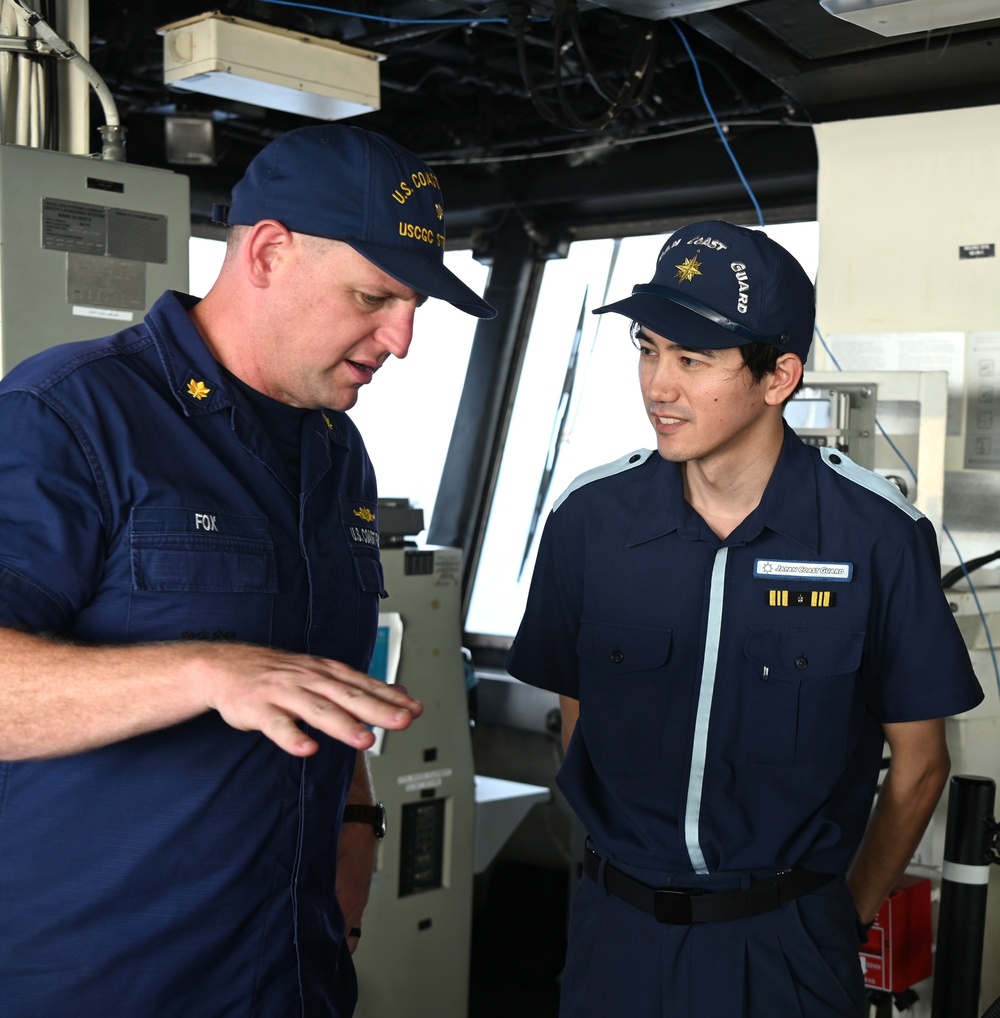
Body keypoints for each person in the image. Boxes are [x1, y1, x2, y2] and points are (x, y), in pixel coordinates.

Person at [0, 124, 496, 1017]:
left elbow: (318, 688)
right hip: (101, 986)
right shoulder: (68, 417)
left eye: (415, 304)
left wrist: (357, 840)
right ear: (267, 252)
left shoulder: (338, 454)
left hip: (290, 978)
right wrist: (203, 671)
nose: (403, 339)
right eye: (375, 296)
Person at [505, 220, 983, 1017]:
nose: (659, 384)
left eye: (693, 359)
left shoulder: (875, 537)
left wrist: (841, 915)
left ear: (778, 376)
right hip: (613, 937)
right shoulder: (590, 520)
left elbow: (920, 763)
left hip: (785, 946)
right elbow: (578, 716)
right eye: (648, 348)